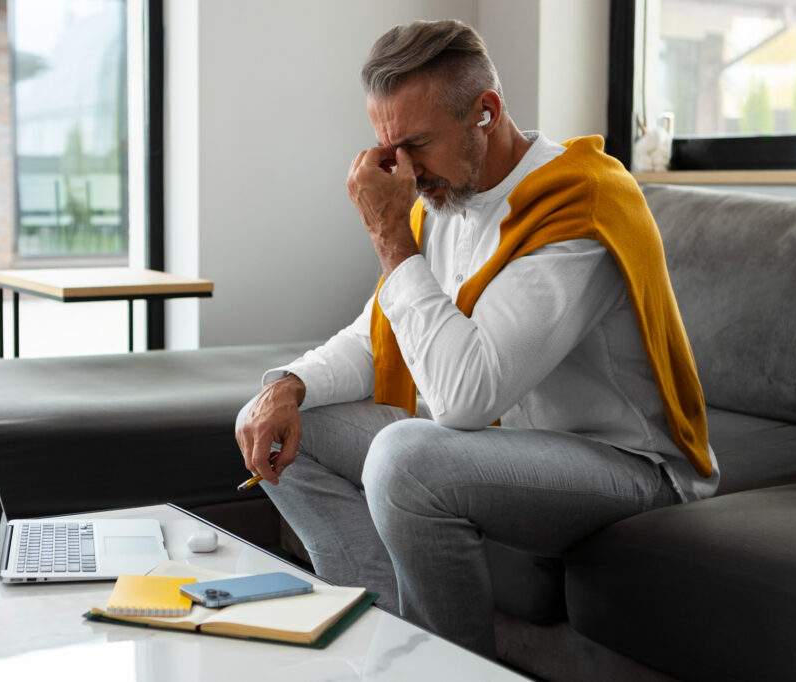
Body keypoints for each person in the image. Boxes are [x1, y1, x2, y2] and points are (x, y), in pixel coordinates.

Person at [236, 19, 718, 658]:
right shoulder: (442, 199)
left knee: (407, 457)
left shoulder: (580, 205)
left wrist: (389, 239)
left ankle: (450, 671)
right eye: (389, 148)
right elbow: (379, 332)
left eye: (417, 144)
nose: (403, 171)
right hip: (509, 450)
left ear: (485, 112)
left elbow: (466, 398)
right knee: (274, 421)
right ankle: (377, 648)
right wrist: (289, 387)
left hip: (629, 467)